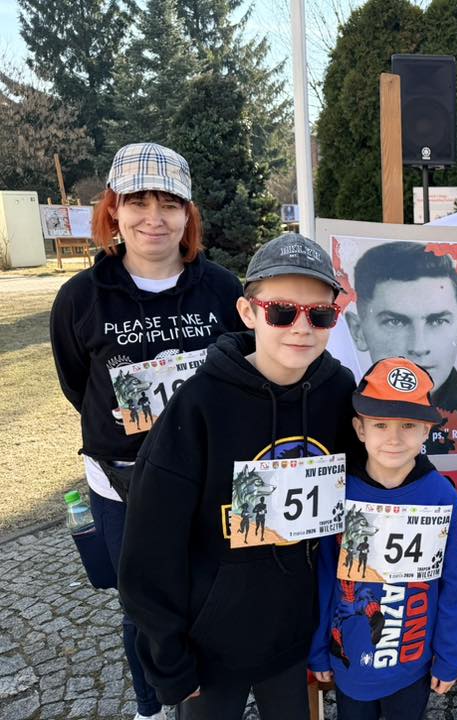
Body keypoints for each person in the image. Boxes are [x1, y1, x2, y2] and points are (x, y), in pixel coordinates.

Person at [118, 233, 363, 720]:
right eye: (281, 312)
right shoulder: (199, 404)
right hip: (210, 641)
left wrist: (428, 489)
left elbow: (373, 460)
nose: (301, 327)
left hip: (293, 630)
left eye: (320, 315)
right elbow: (150, 544)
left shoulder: (337, 389)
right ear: (248, 313)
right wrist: (169, 658)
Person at [50, 142, 246, 720]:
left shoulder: (222, 290)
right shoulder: (81, 297)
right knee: (142, 605)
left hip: (209, 475)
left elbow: (245, 371)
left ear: (188, 215)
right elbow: (77, 383)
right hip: (123, 482)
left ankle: (213, 694)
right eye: (138, 202)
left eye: (169, 204)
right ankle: (151, 705)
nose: (153, 218)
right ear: (113, 210)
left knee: (211, 589)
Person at [309, 357, 457, 720]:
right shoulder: (340, 492)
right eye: (380, 424)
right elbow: (324, 574)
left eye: (408, 425)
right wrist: (318, 648)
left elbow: (454, 583)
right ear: (360, 428)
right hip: (351, 664)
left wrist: (450, 656)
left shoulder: (441, 497)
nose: (394, 438)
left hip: (412, 664)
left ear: (427, 431)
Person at [344, 241, 457, 454]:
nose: (419, 347)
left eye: (437, 321)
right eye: (395, 322)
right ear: (357, 331)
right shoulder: (338, 423)